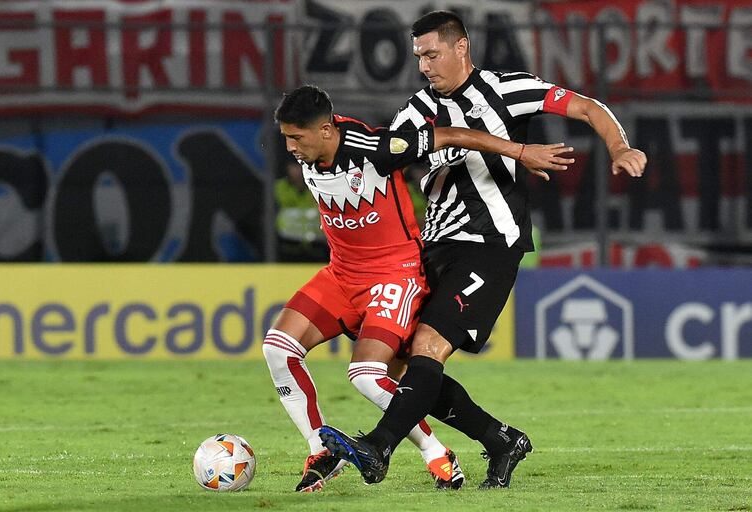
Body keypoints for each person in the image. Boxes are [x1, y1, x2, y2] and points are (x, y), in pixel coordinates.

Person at [319, 10, 647, 489]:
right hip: (433, 247)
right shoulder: (414, 112)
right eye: (418, 57)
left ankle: (378, 447)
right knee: (404, 365)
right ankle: (500, 439)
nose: (425, 66)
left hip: (490, 245)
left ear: (461, 47)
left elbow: (588, 107)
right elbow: (397, 169)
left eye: (432, 54)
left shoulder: (508, 89)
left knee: (429, 347)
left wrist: (618, 147)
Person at [263, 84, 574, 492]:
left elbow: (454, 134)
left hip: (395, 275)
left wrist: (520, 151)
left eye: (295, 137)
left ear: (325, 130)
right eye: (285, 137)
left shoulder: (376, 148)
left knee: (369, 375)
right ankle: (319, 448)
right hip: (341, 275)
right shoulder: (311, 152)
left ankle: (435, 453)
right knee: (277, 348)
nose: (289, 147)